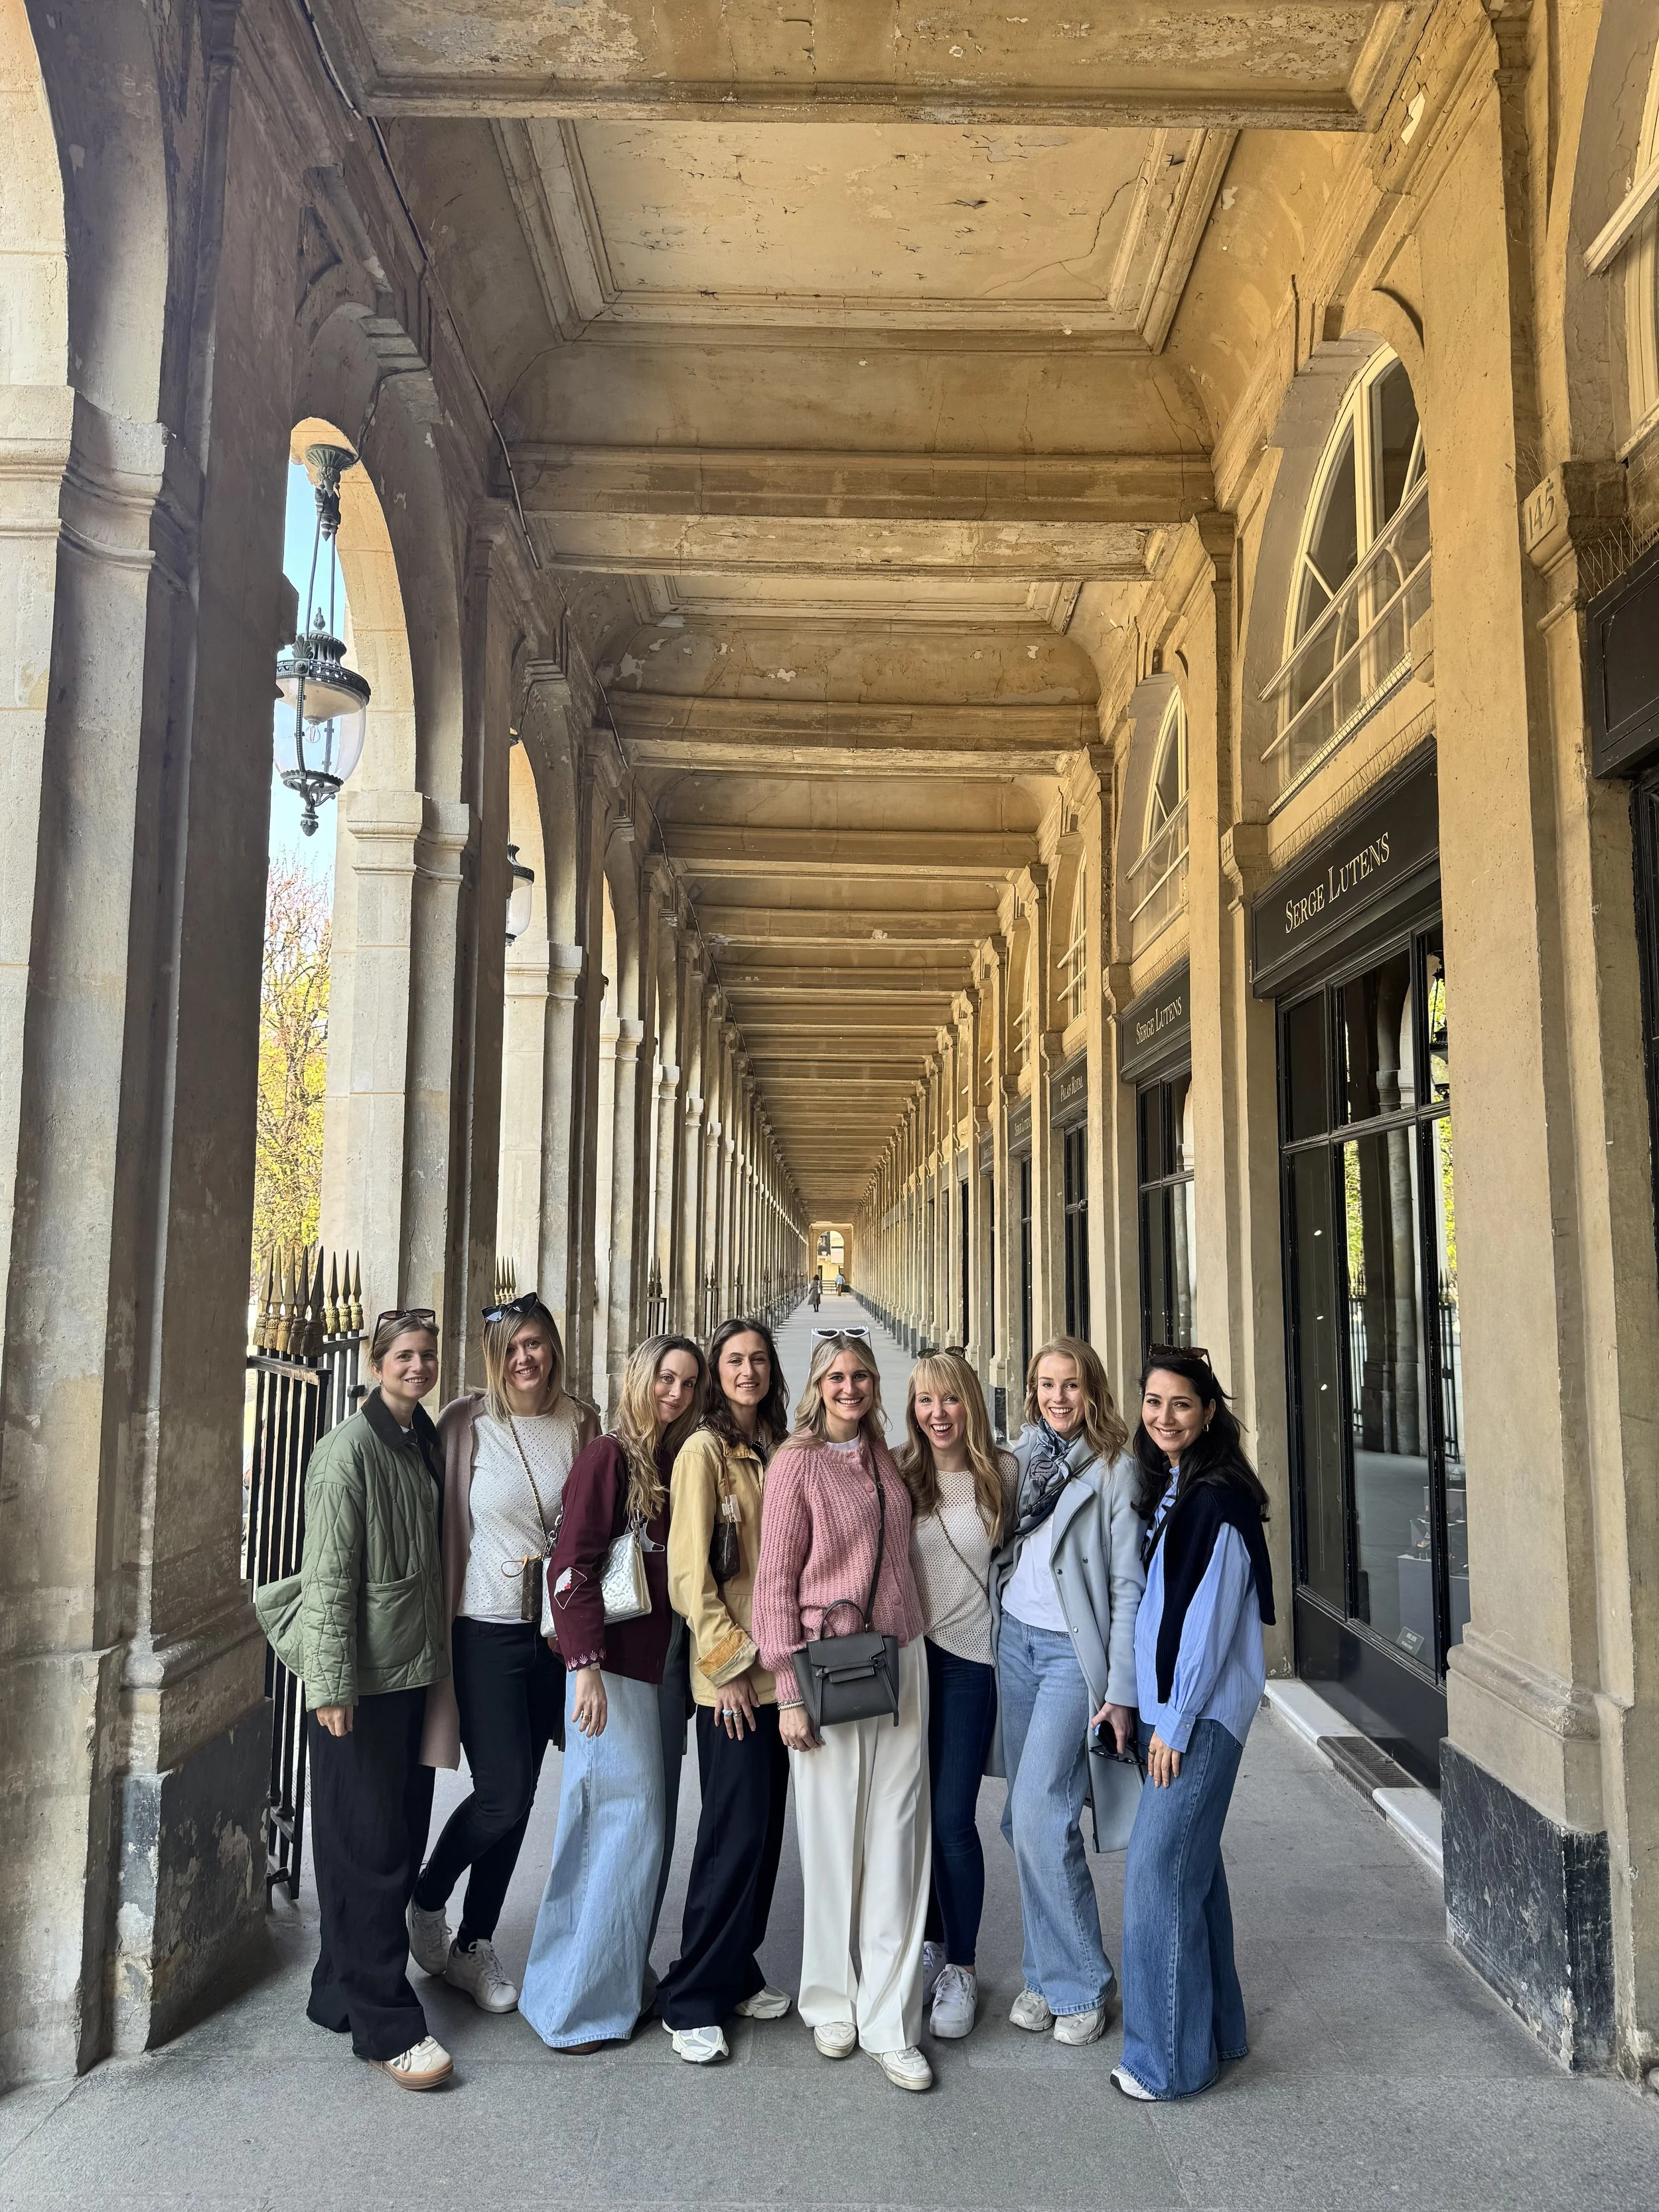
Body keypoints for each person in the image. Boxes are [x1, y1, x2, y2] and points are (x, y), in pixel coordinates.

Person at [259, 1309, 452, 2091]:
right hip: (362, 1685)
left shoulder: (419, 1434)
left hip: (407, 1670)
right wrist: (330, 1687)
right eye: (405, 1355)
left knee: (391, 1837)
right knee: (367, 1851)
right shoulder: (348, 1452)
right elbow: (330, 1579)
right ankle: (386, 2027)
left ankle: (336, 1989)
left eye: (428, 1355)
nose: (418, 1366)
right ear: (375, 1363)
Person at [753, 1331, 934, 2094]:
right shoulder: (794, 1463)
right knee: (831, 1842)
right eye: (837, 1376)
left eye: (861, 1375)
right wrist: (787, 1693)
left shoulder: (885, 1452)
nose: (850, 1387)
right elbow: (772, 1584)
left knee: (898, 1840)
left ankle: (890, 2017)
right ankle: (830, 1998)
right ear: (817, 1385)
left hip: (901, 1663)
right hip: (827, 1671)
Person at [407, 1291, 598, 2012]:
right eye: (512, 1346)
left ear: (553, 1346)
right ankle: (428, 1897)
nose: (526, 1357)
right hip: (482, 1625)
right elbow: (424, 1517)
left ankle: (473, 1945)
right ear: (496, 1355)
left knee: (517, 1800)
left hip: (553, 1633)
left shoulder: (581, 1422)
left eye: (536, 1343)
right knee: (503, 1791)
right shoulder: (465, 1422)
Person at [518, 1334, 707, 2053]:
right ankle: (575, 2005)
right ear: (640, 1378)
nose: (677, 1394)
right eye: (666, 1379)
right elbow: (570, 1566)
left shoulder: (672, 1457)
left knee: (643, 1833)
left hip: (656, 1669)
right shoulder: (609, 1456)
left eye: (689, 1384)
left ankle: (618, 1978)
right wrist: (585, 1666)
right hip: (612, 1671)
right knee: (607, 1829)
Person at [1113, 1348, 1274, 2103]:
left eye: (1180, 1403)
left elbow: (1208, 1624)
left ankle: (1166, 2064)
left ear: (1209, 1411)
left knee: (1156, 1877)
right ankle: (1217, 2033)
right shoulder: (1176, 1485)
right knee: (1195, 1876)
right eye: (1152, 1402)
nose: (1163, 1417)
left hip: (1198, 1717)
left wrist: (1172, 1725)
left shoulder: (1218, 1499)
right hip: (1170, 1711)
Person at [991, 1336, 1143, 2049]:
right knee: (1027, 1821)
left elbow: (1125, 1585)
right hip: (1013, 1642)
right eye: (1046, 1384)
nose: (1057, 1397)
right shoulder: (1020, 1456)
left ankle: (1083, 1981)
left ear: (1092, 1391)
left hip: (1066, 1658)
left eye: (1071, 1385)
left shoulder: (1115, 1468)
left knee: (1042, 1814)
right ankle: (1041, 1975)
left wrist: (1119, 1688)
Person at [657, 1316, 795, 2063]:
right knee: (730, 1836)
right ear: (718, 1371)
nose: (749, 1371)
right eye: (735, 1360)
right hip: (734, 1681)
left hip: (781, 1678)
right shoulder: (705, 1452)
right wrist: (729, 1666)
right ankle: (693, 1995)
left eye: (760, 1359)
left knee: (765, 1835)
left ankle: (737, 1966)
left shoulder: (771, 1446)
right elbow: (689, 1575)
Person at [897, 1350, 1013, 2042]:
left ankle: (963, 1965)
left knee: (952, 1818)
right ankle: (934, 1940)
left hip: (972, 1665)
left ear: (970, 1402)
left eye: (949, 1400)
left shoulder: (1003, 1476)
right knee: (914, 1815)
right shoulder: (899, 1473)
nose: (937, 1414)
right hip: (910, 1662)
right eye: (923, 1401)